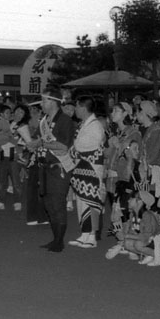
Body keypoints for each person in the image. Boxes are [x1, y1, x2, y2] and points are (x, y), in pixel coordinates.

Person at [30, 86, 76, 252]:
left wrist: (42, 142)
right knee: (49, 204)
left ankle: (59, 241)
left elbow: (63, 147)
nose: (41, 104)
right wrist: (32, 143)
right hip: (45, 167)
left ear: (54, 101)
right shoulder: (44, 121)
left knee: (57, 204)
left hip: (59, 167)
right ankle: (55, 238)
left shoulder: (65, 120)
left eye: (44, 100)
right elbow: (38, 140)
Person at [67, 96, 106, 249]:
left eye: (76, 106)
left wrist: (75, 150)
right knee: (82, 201)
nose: (75, 110)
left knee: (91, 201)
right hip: (82, 166)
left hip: (92, 168)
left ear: (83, 108)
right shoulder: (85, 124)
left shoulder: (95, 125)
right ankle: (84, 233)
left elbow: (86, 145)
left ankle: (92, 236)